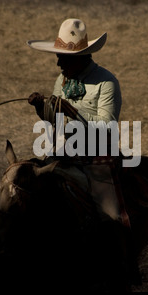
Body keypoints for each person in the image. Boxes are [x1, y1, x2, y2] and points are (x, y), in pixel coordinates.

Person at [26, 18, 129, 226]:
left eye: (63, 59)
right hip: (66, 151)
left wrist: (75, 113)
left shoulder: (107, 82)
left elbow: (108, 127)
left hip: (97, 156)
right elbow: (54, 116)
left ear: (80, 58)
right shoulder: (61, 80)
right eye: (59, 57)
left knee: (110, 217)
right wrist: (40, 107)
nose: (58, 63)